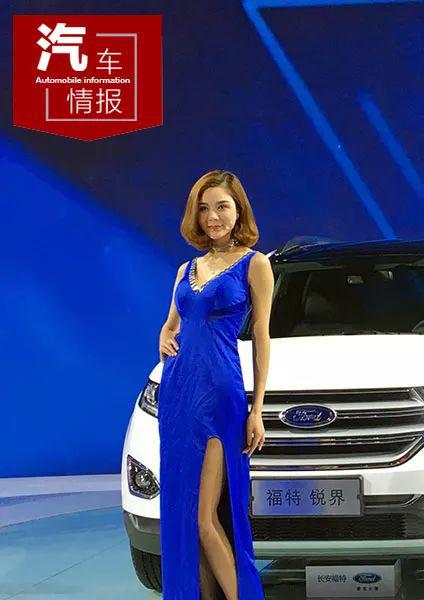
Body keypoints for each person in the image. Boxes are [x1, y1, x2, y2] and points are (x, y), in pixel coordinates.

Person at [157, 169, 274, 599]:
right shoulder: (186, 269)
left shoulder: (255, 264)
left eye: (222, 206)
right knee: (186, 519)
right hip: (177, 396)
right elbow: (172, 324)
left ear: (238, 209)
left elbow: (261, 335)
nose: (213, 217)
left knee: (207, 518)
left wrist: (257, 409)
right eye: (204, 208)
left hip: (219, 395)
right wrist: (164, 335)